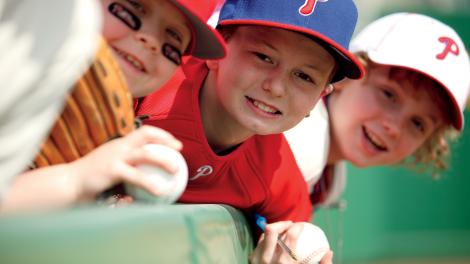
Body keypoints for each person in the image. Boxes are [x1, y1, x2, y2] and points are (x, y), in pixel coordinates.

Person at [135, 0, 364, 262]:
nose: (276, 87)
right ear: (217, 49)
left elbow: (299, 237)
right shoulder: (152, 81)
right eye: (264, 57)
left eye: (304, 76)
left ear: (320, 96)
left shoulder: (276, 171)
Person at [276, 11, 470, 261]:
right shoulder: (303, 139)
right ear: (346, 73)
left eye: (418, 123)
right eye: (389, 94)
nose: (395, 127)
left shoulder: (329, 169)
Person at [0, 0, 225, 214]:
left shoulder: (123, 135)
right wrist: (73, 182)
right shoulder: (13, 56)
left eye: (174, 38)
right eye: (133, 9)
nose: (152, 41)